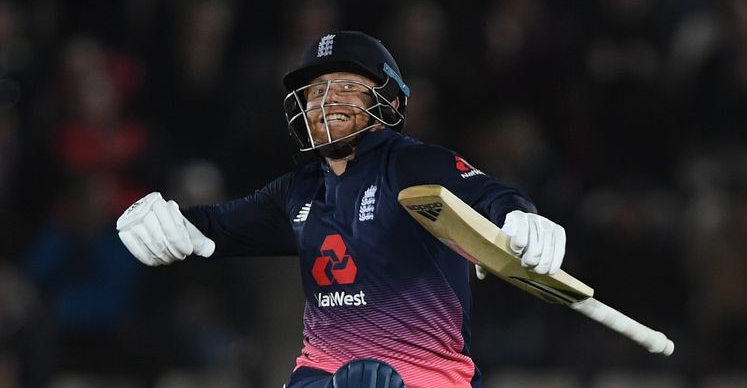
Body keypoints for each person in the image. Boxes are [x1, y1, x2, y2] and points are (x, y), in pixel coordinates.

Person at [116, 31, 566, 388]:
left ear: (388, 102)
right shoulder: (297, 189)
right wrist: (166, 221)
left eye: (348, 87)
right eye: (316, 92)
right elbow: (217, 226)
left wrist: (520, 215)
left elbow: (489, 196)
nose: (328, 100)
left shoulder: (412, 163)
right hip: (323, 377)